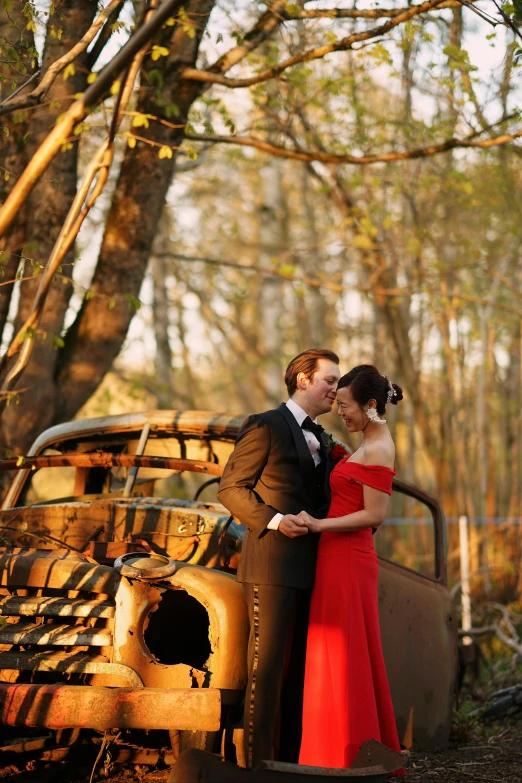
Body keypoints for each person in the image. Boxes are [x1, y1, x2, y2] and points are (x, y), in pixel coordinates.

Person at [217, 348, 341, 770]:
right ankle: (255, 766)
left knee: (301, 673)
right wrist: (274, 520)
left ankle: (290, 764)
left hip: (314, 571)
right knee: (265, 670)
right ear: (304, 379)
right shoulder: (265, 425)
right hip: (270, 567)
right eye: (330, 380)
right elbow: (231, 489)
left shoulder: (323, 438)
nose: (336, 389)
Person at [296, 364, 405, 773]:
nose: (340, 411)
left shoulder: (379, 448)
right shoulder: (365, 442)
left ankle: (348, 754)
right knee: (332, 656)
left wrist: (320, 524)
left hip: (349, 560)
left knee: (346, 656)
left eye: (345, 405)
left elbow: (373, 515)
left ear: (371, 405)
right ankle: (329, 753)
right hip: (334, 558)